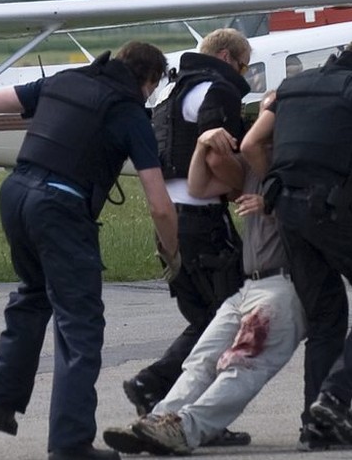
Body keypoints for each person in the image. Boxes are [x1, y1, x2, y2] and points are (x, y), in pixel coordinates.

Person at [0, 42, 179, 460]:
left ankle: (2, 402)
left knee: (34, 294)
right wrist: (174, 255)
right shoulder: (129, 111)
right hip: (60, 207)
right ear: (148, 80)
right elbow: (158, 203)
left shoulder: (66, 80)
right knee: (80, 327)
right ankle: (70, 443)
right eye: (152, 88)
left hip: (16, 193)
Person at [103, 97, 311, 455]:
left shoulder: (306, 168)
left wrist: (273, 204)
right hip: (251, 285)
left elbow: (323, 217)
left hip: (285, 284)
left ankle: (187, 429)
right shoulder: (257, 169)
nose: (257, 122)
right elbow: (199, 187)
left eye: (267, 115)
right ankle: (159, 421)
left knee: (241, 364)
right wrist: (201, 144)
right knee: (202, 357)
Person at [241, 40, 352, 450]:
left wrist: (277, 191)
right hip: (338, 211)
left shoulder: (291, 87)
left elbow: (249, 145)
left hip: (290, 214)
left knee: (325, 317)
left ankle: (315, 425)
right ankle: (335, 396)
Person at [122, 28, 253, 446]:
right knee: (227, 320)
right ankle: (161, 387)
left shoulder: (169, 93)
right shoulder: (219, 90)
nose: (244, 73)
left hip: (169, 219)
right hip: (203, 220)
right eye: (245, 65)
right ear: (230, 57)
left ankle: (165, 397)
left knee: (204, 318)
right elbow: (217, 153)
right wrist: (246, 185)